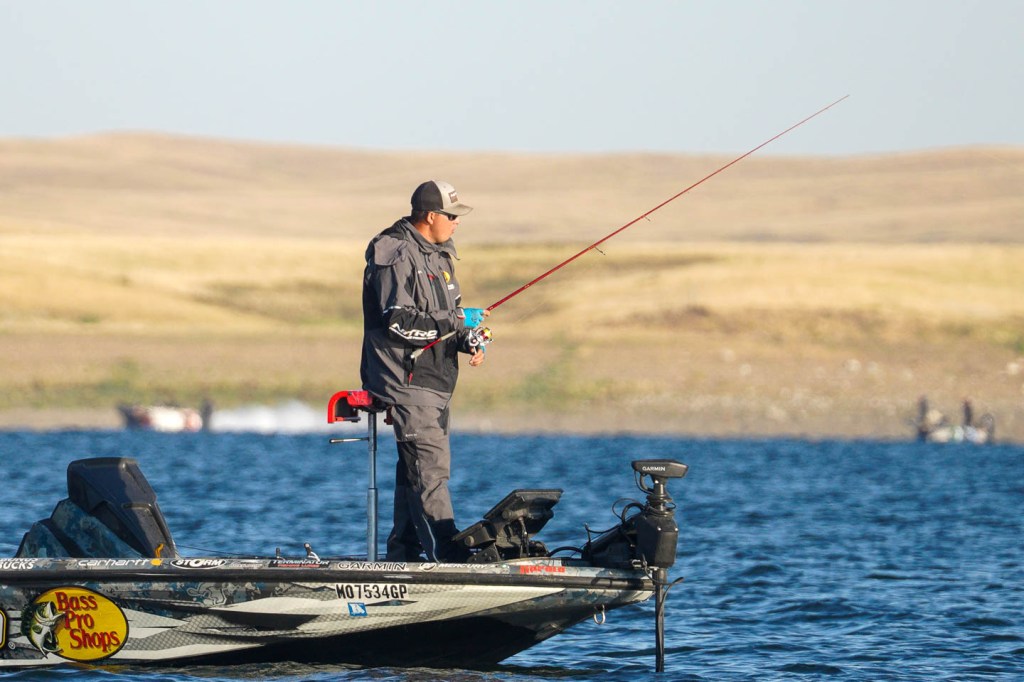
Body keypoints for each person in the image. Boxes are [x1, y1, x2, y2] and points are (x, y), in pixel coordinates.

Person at [360, 180, 489, 563]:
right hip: (405, 379)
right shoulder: (395, 253)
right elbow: (398, 322)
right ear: (430, 216)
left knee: (414, 470)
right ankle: (450, 557)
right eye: (452, 215)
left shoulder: (441, 257)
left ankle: (404, 555)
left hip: (436, 382)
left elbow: (446, 320)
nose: (457, 222)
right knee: (431, 470)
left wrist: (470, 338)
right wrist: (457, 319)